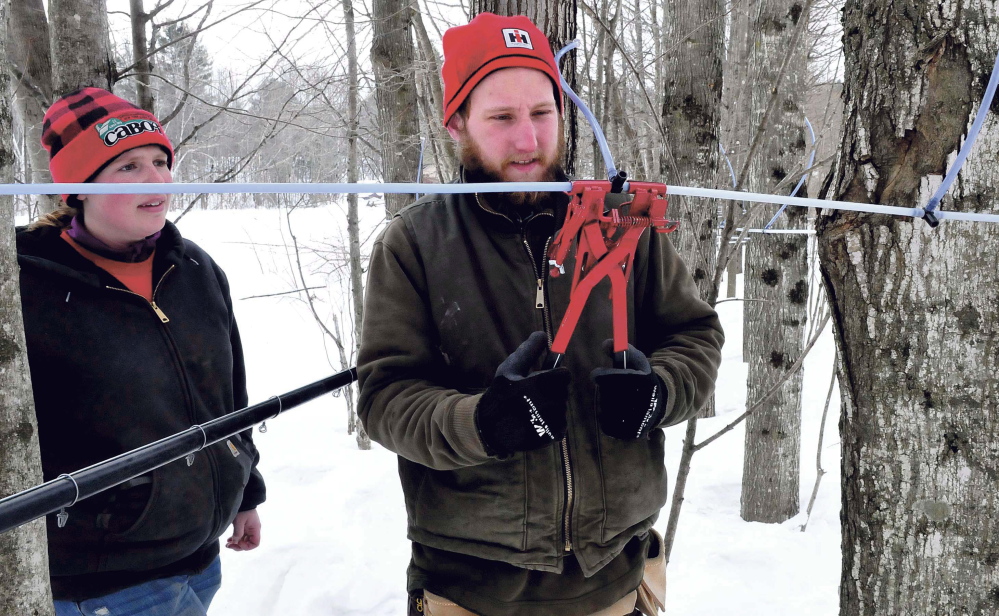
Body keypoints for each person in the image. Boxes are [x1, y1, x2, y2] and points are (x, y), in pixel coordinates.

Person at [357, 12, 724, 616]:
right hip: (470, 590)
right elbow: (384, 398)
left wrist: (660, 393)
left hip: (617, 577)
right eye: (501, 118)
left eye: (542, 114)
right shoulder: (414, 245)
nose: (528, 141)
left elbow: (695, 335)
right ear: (457, 124)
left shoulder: (621, 228)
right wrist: (482, 424)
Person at [16, 88, 266, 616]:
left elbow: (229, 392)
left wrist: (245, 488)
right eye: (128, 166)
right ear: (77, 188)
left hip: (198, 555)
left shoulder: (193, 267)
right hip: (102, 580)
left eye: (160, 161)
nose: (156, 180)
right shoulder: (22, 286)